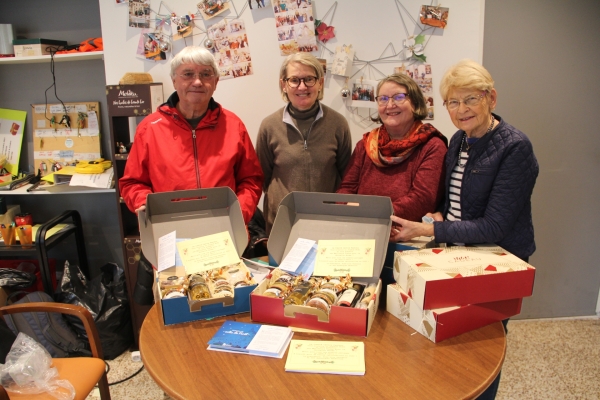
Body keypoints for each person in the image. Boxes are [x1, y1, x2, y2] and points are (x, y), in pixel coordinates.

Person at [389, 60, 539, 399]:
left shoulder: (515, 147)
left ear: (492, 98)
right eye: (453, 102)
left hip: (497, 262)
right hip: (458, 255)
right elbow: (454, 203)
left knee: (482, 349)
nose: (462, 109)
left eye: (471, 99)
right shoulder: (458, 140)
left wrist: (426, 232)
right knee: (449, 343)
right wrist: (435, 218)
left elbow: (495, 225)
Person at [120, 45, 263, 225]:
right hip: (169, 227)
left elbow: (251, 180)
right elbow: (132, 182)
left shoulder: (233, 126)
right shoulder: (149, 128)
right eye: (188, 74)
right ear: (174, 80)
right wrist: (145, 204)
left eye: (205, 74)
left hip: (224, 228)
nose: (197, 82)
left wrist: (238, 214)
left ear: (216, 81)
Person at [256, 52, 352, 234]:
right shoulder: (269, 126)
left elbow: (347, 176)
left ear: (320, 83)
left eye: (309, 79)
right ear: (283, 84)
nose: (302, 87)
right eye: (294, 80)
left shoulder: (338, 124)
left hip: (327, 221)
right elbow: (263, 176)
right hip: (282, 223)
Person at [337, 73, 447, 222]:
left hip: (407, 235)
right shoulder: (366, 144)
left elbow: (422, 200)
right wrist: (348, 210)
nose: (390, 105)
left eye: (399, 97)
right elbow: (346, 189)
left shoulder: (432, 146)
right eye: (383, 99)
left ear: (414, 102)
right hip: (360, 230)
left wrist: (369, 213)